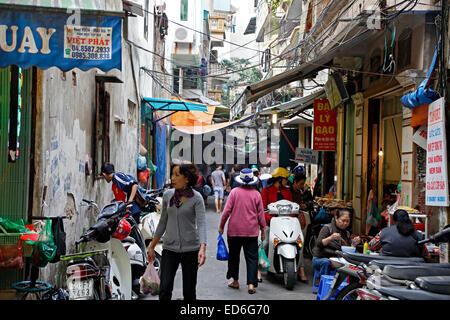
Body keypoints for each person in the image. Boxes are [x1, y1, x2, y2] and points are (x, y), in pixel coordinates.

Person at [147, 162, 207, 301]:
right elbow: (162, 222)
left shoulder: (196, 198)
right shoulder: (168, 195)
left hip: (191, 249)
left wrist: (202, 248)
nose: (172, 178)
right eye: (172, 175)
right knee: (165, 289)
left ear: (186, 178)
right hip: (169, 248)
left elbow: (202, 224)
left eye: (176, 175)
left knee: (189, 291)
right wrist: (152, 246)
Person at [218, 168, 266, 295]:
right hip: (251, 232)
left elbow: (226, 212)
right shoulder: (256, 194)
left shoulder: (234, 192)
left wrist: (221, 226)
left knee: (234, 256)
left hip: (234, 231)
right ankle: (251, 284)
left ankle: (235, 281)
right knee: (252, 258)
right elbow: (261, 215)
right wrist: (263, 229)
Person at [312, 209, 352, 280]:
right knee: (326, 262)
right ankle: (323, 283)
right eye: (343, 220)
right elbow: (319, 244)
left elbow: (347, 249)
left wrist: (353, 244)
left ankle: (341, 287)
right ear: (336, 218)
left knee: (349, 265)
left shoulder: (346, 233)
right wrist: (330, 237)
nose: (345, 223)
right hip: (320, 258)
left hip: (337, 259)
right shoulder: (327, 228)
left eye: (347, 221)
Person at [290, 173, 312, 283]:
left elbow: (298, 204)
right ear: (295, 182)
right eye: (301, 183)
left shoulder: (298, 192)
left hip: (297, 221)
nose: (302, 185)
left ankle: (301, 269)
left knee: (300, 244)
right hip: (290, 221)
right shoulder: (289, 191)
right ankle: (300, 270)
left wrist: (301, 205)